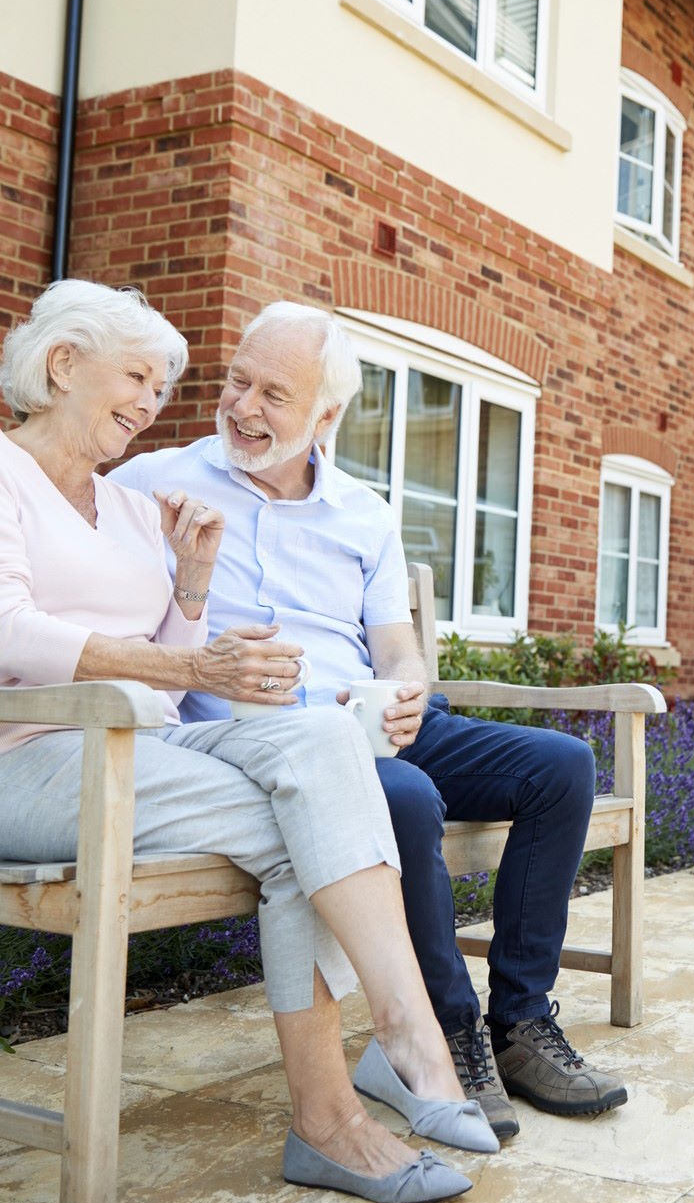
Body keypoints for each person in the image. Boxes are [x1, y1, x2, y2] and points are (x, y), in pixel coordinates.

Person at [0, 280, 503, 1203]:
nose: (153, 403)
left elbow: (170, 680)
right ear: (63, 365)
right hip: (26, 758)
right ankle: (347, 1105)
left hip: (139, 754)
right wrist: (191, 665)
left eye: (162, 386)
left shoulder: (124, 504)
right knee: (309, 822)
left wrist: (191, 585)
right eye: (137, 378)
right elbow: (8, 630)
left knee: (320, 743)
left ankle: (401, 1041)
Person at [111, 301, 629, 1141]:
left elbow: (394, 646)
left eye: (275, 395)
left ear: (326, 417)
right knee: (406, 796)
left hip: (371, 721)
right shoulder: (151, 483)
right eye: (238, 381)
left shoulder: (362, 511)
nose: (244, 407)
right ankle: (446, 1034)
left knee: (561, 765)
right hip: (264, 743)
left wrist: (409, 687)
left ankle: (521, 1023)